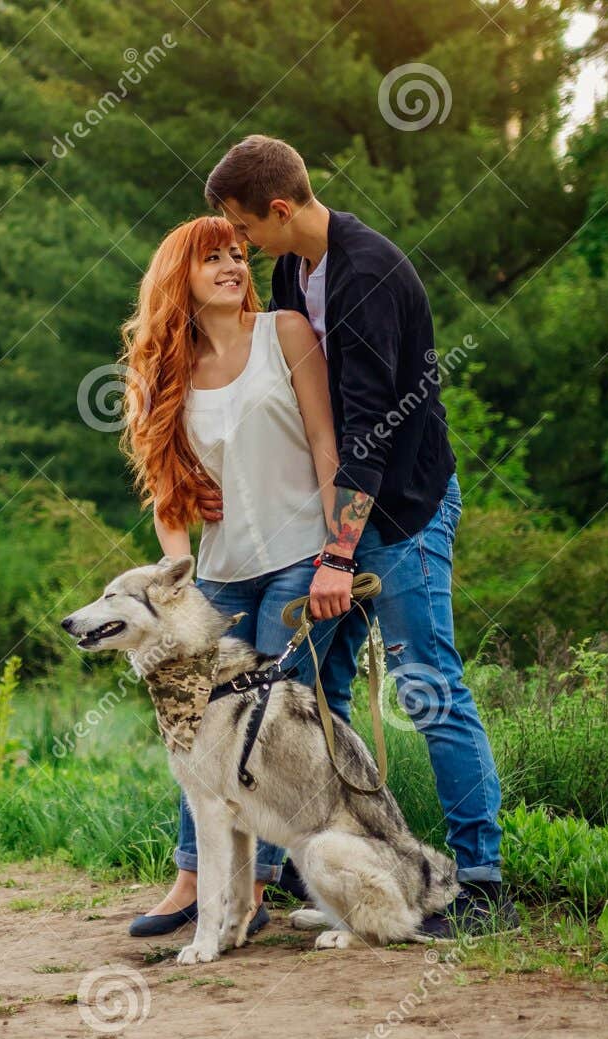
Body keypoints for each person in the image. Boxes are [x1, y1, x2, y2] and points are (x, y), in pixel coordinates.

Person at [201, 135, 516, 937]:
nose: (243, 247)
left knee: (429, 686)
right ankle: (333, 872)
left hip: (402, 510)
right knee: (319, 694)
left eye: (245, 229)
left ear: (279, 208)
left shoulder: (368, 272)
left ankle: (479, 880)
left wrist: (340, 553)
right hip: (338, 512)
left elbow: (372, 427)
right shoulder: (292, 269)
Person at [118, 215, 345, 939]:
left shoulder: (285, 333)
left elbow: (323, 440)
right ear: (178, 274)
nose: (231, 266)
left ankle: (250, 891)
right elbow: (167, 492)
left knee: (271, 722)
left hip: (299, 557)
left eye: (239, 255)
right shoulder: (162, 369)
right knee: (197, 723)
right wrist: (177, 585)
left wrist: (340, 550)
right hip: (215, 575)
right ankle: (193, 879)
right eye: (212, 257)